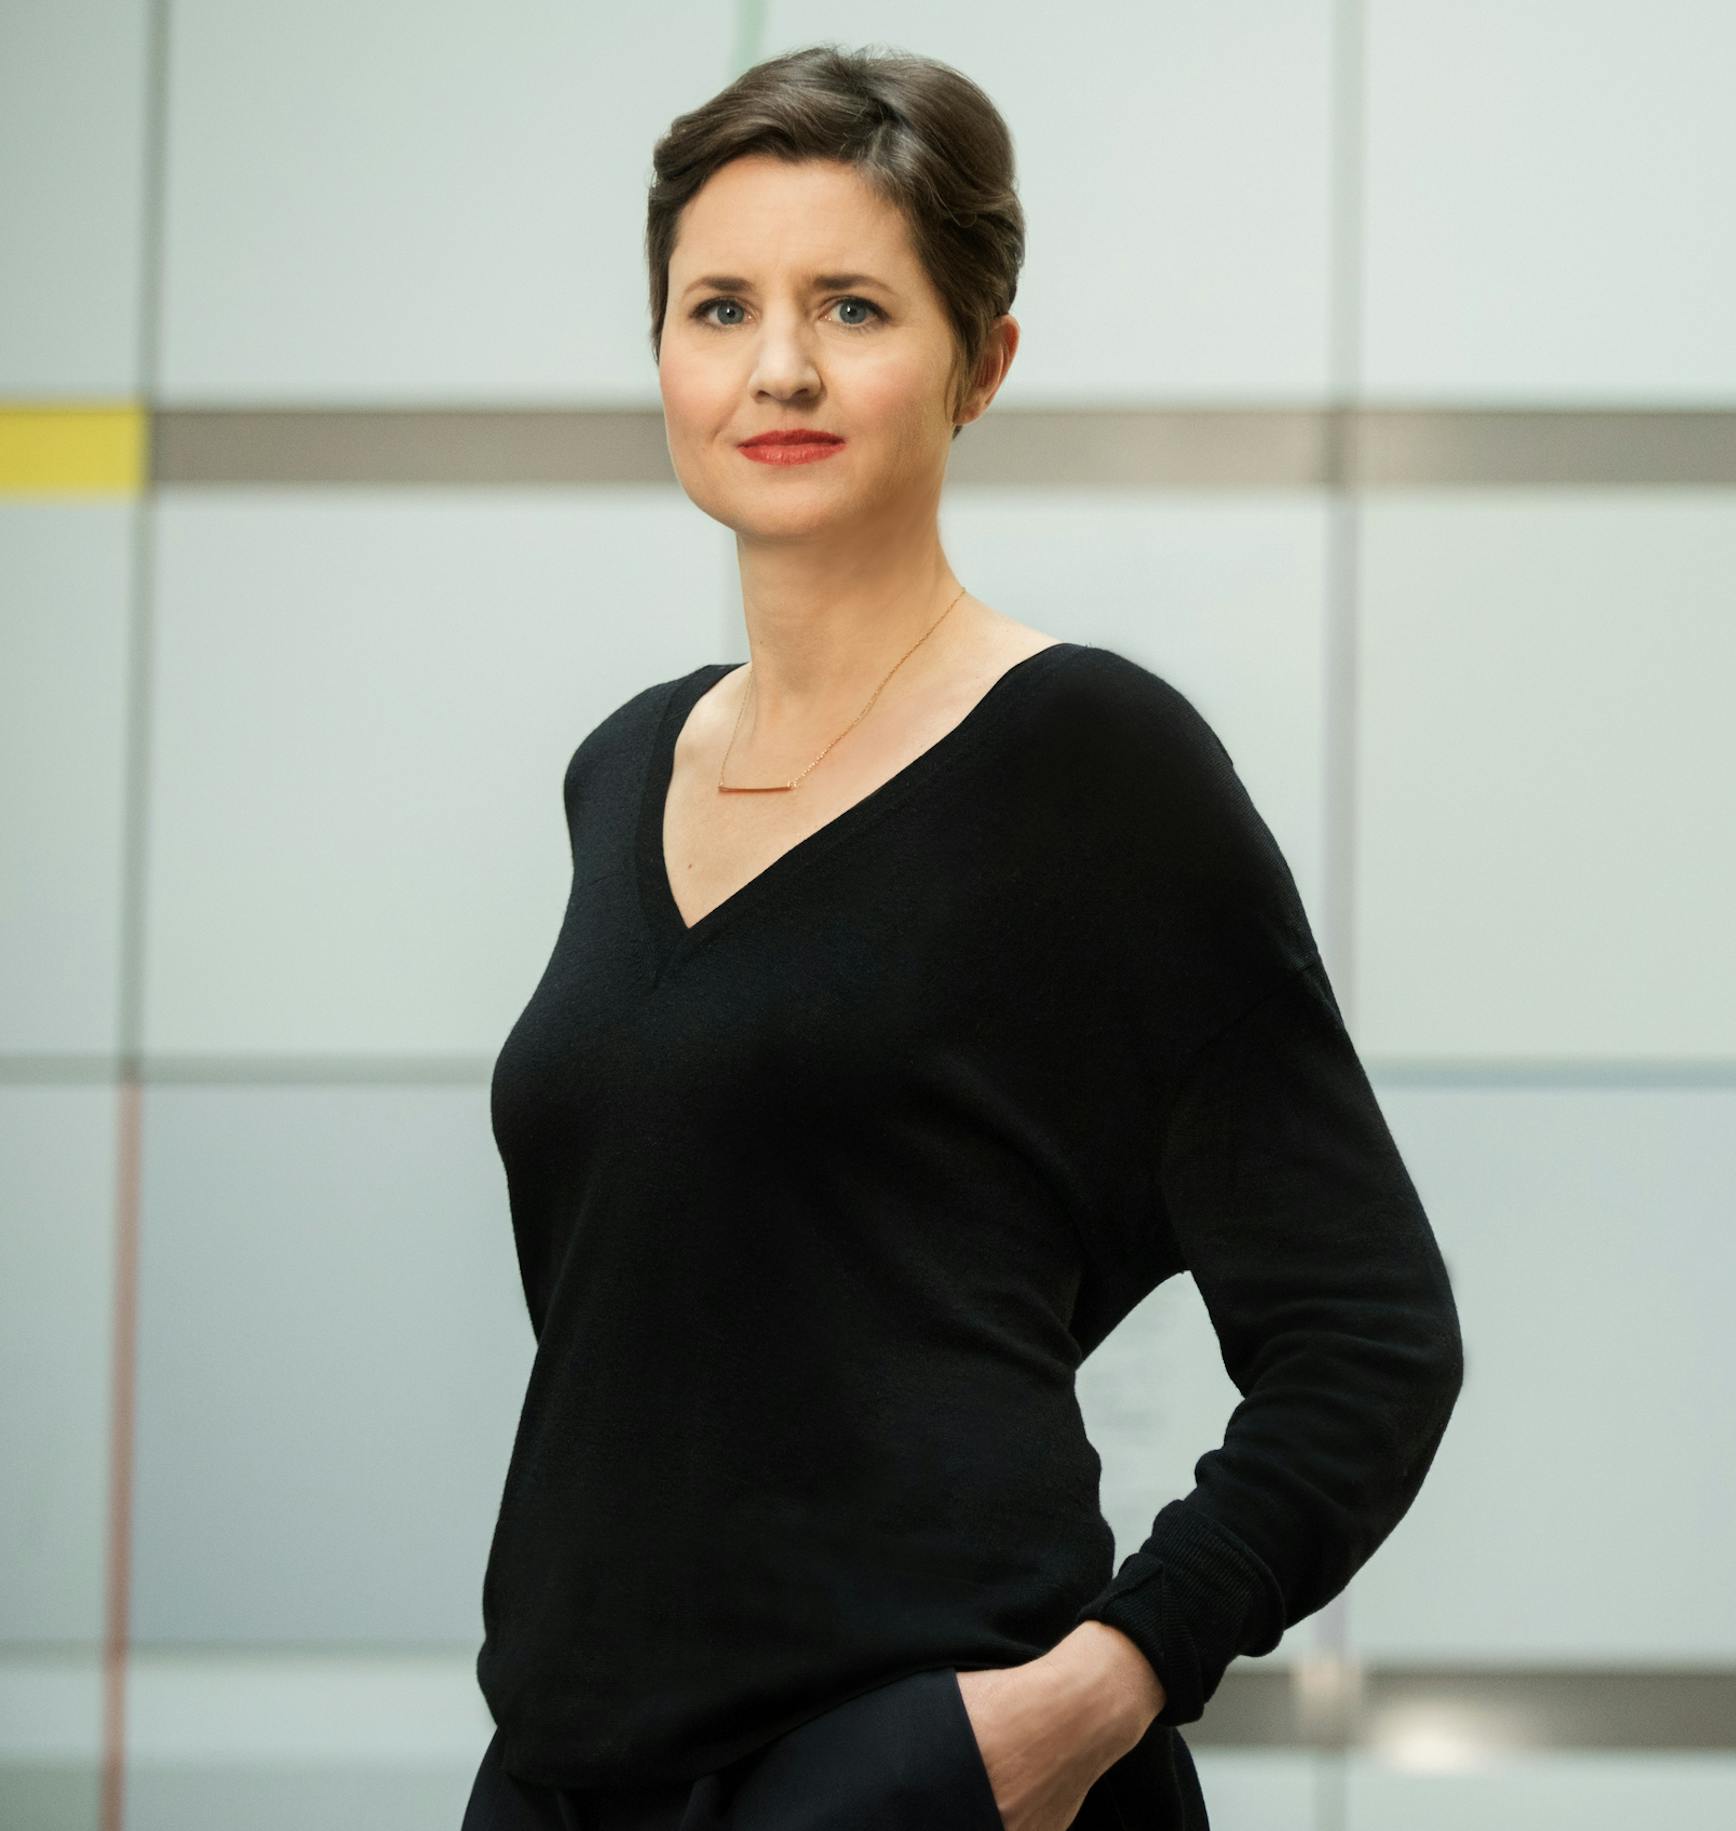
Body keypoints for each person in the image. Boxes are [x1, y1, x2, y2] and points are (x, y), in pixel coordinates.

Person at [462, 41, 1465, 1831]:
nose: (777, 365)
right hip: (570, 1769)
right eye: (719, 307)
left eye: (852, 306)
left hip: (922, 1776)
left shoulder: (1096, 765)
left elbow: (1369, 1340)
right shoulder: (620, 769)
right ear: (664, 358)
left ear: (980, 361)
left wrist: (1099, 1688)